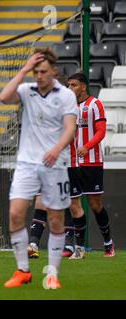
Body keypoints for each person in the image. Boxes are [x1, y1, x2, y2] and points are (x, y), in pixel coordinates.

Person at [0, 48, 78, 289]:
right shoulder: (26, 89)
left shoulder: (65, 95)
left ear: (53, 71)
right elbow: (3, 97)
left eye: (43, 71)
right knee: (15, 214)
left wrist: (56, 150)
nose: (39, 76)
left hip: (55, 165)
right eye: (36, 71)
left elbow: (70, 129)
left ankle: (52, 272)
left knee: (56, 220)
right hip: (26, 163)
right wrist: (23, 69)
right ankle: (23, 270)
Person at [28, 73, 79, 259]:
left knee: (66, 203)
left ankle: (70, 244)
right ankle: (33, 243)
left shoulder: (68, 108)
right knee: (41, 201)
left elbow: (70, 133)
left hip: (64, 161)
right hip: (43, 161)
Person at [66, 72, 114, 258]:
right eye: (69, 85)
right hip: (72, 162)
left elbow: (101, 132)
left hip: (92, 161)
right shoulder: (67, 107)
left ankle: (108, 242)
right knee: (74, 204)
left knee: (95, 204)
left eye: (74, 85)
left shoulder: (95, 105)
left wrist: (86, 146)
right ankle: (79, 248)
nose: (70, 89)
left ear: (83, 86)